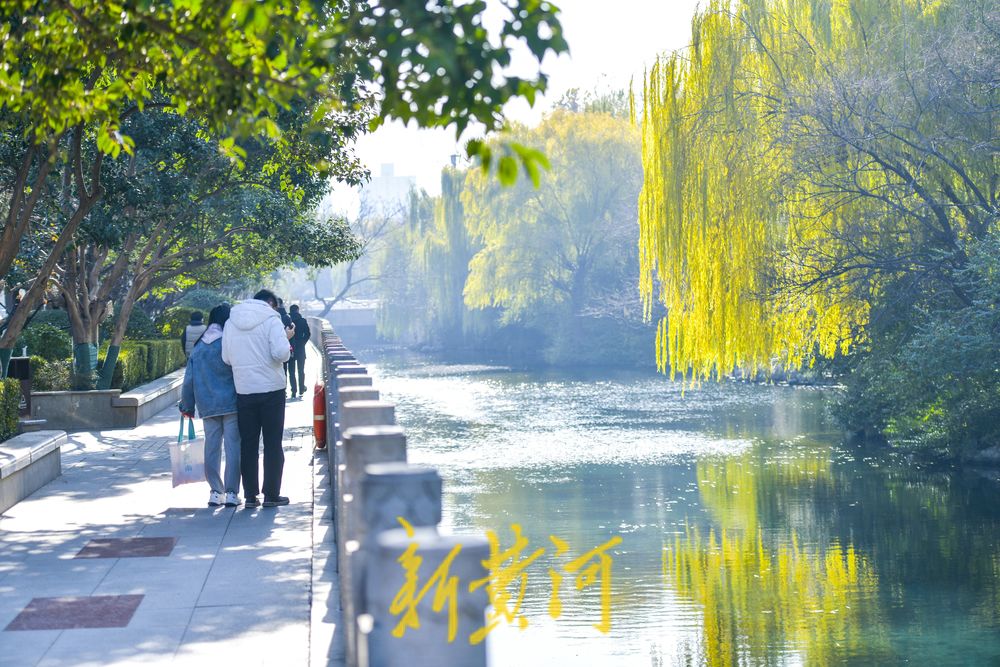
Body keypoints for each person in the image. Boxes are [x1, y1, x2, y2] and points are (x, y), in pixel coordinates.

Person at [222, 289, 293, 508]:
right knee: (273, 443)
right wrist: (287, 338)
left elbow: (226, 358)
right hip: (272, 389)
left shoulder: (231, 322)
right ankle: (271, 494)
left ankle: (251, 496)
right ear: (271, 303)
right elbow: (281, 354)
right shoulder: (272, 319)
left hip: (244, 390)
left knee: (248, 444)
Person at [178, 304, 242, 508]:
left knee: (211, 448)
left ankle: (215, 491)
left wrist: (187, 405)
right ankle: (232, 492)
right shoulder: (229, 342)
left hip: (207, 406)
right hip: (232, 403)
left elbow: (188, 380)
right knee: (233, 447)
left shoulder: (198, 347)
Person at [287, 304, 311, 397]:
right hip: (301, 349)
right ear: (297, 310)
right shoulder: (302, 321)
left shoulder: (288, 321)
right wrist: (303, 342)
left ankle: (293, 391)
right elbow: (308, 334)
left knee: (291, 371)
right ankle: (301, 389)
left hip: (290, 348)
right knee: (301, 370)